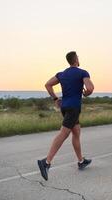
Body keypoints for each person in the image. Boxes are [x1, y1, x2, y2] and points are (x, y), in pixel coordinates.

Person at [37, 51, 94, 181]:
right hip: (74, 108)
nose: (79, 59)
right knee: (64, 133)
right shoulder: (82, 72)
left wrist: (55, 99)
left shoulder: (61, 74)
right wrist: (87, 93)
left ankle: (81, 161)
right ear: (76, 60)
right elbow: (90, 87)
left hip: (64, 107)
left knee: (76, 132)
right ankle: (46, 162)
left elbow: (48, 84)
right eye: (78, 57)